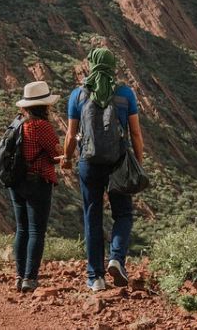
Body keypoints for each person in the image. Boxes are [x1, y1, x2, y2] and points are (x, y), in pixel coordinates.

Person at [59, 47, 145, 292]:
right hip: (118, 161)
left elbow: (71, 134)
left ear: (92, 65)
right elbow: (136, 134)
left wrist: (66, 157)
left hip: (89, 162)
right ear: (113, 66)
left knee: (92, 217)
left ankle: (95, 277)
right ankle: (116, 258)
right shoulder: (125, 94)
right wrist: (137, 163)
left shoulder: (77, 95)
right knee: (124, 214)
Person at [11, 80, 62, 294]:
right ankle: (30, 279)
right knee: (36, 231)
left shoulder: (18, 124)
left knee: (21, 229)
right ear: (45, 106)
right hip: (37, 182)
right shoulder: (42, 127)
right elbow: (56, 154)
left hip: (16, 181)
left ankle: (19, 275)